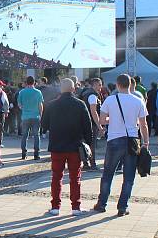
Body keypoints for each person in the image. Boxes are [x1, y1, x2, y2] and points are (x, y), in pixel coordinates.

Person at [93, 74, 149, 217]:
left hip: (114, 140)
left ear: (117, 85)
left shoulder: (110, 100)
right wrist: (146, 142)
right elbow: (143, 125)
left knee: (108, 174)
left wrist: (114, 118)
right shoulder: (138, 101)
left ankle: (101, 204)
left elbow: (102, 120)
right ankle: (122, 207)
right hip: (132, 140)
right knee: (129, 176)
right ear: (130, 84)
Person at [41, 79, 93, 216]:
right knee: (75, 178)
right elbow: (88, 127)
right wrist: (89, 144)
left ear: (60, 89)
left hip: (57, 146)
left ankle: (55, 207)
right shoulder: (80, 104)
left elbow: (44, 125)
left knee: (56, 177)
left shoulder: (52, 105)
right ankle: (76, 207)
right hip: (75, 147)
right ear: (73, 89)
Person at [17, 76, 44, 160]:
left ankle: (23, 154)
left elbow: (19, 105)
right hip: (36, 116)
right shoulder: (38, 92)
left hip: (25, 116)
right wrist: (41, 115)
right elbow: (40, 106)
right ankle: (36, 154)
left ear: (26, 82)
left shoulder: (22, 92)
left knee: (24, 136)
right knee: (36, 135)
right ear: (34, 83)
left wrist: (25, 109)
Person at [80, 78, 103, 170]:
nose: (101, 87)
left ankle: (86, 162)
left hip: (84, 122)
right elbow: (94, 112)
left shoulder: (86, 94)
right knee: (92, 144)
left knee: (85, 143)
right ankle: (92, 163)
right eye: (99, 84)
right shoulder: (92, 96)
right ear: (94, 85)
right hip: (91, 123)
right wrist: (99, 125)